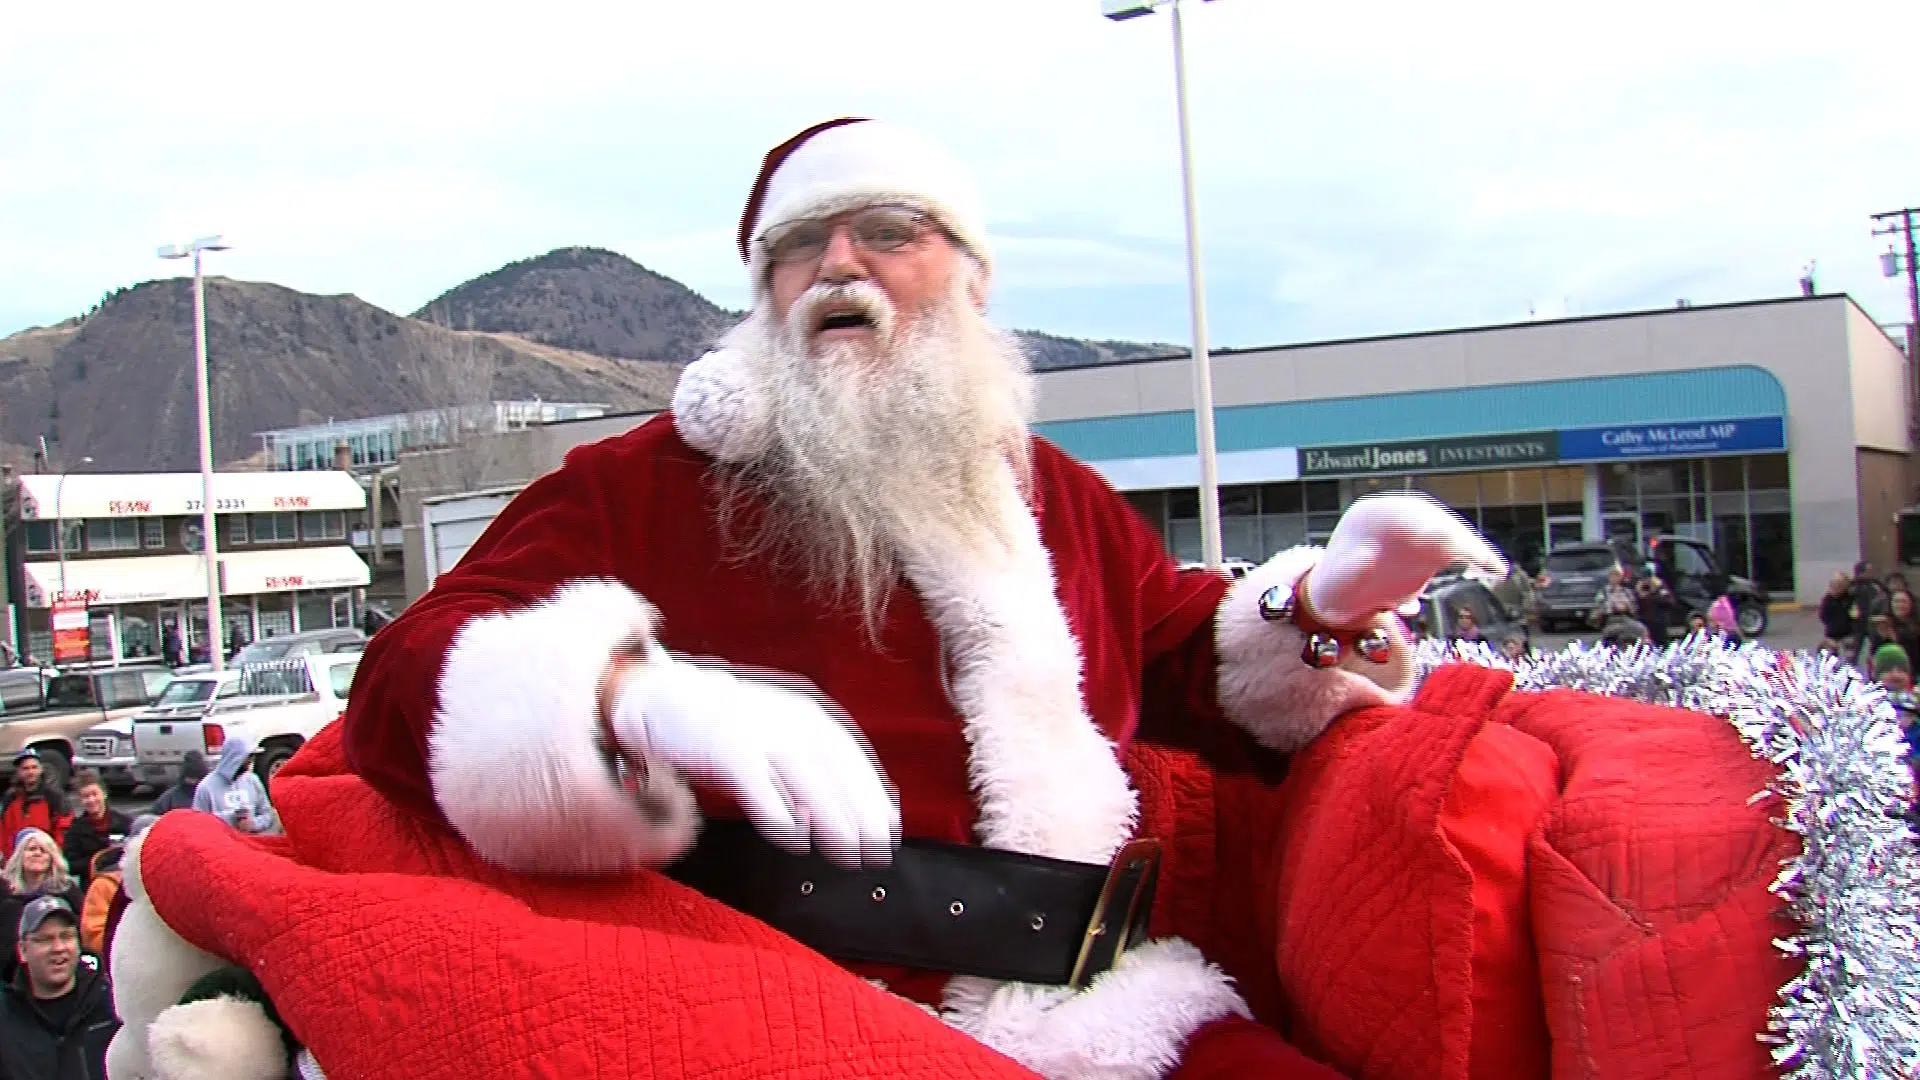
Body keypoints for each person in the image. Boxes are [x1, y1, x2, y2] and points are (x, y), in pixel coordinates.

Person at [102, 119, 1905, 1080]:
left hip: (1110, 1003)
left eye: (884, 236)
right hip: (795, 1002)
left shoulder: (1041, 489)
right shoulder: (644, 485)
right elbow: (417, 676)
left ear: (962, 277)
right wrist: (621, 705)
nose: (840, 271)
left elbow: (1183, 659)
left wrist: (1314, 606)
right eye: (803, 249)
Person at [0, 896, 119, 1080]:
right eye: (44, 940)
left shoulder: (111, 1006)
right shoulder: (7, 1016)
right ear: (22, 951)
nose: (58, 948)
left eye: (67, 936)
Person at [0, 829, 85, 984]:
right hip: (13, 977)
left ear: (52, 858)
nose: (37, 853)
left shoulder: (67, 891)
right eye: (31, 849)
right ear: (20, 856)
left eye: (43, 850)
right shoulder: (7, 896)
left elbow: (82, 930)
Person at [59, 771, 130, 891]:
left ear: (104, 794)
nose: (91, 800)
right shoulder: (75, 830)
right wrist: (97, 860)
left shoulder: (124, 823)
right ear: (81, 800)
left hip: (122, 885)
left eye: (95, 794)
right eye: (86, 796)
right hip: (92, 887)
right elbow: (69, 865)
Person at [192, 739, 280, 836]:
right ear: (235, 758)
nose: (250, 762)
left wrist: (254, 824)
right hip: (221, 845)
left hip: (251, 844)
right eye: (248, 757)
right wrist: (229, 819)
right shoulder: (206, 787)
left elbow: (267, 814)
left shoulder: (252, 780)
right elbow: (198, 824)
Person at [0, 752, 70, 859]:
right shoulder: (10, 797)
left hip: (46, 857)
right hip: (16, 859)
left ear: (41, 769)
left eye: (34, 767)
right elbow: (3, 832)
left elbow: (64, 829)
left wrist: (53, 856)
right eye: (26, 768)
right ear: (19, 772)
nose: (30, 772)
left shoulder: (55, 796)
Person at [147, 751, 208, 816]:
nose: (192, 782)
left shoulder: (209, 795)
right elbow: (155, 816)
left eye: (196, 780)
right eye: (190, 779)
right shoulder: (170, 797)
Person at [1818, 571, 1857, 648]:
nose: (1837, 589)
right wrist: (1831, 626)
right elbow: (1823, 616)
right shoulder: (1828, 600)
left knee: (1850, 651)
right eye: (1835, 587)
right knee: (1830, 650)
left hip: (1848, 632)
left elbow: (1854, 614)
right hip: (1832, 633)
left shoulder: (1849, 598)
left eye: (1840, 586)